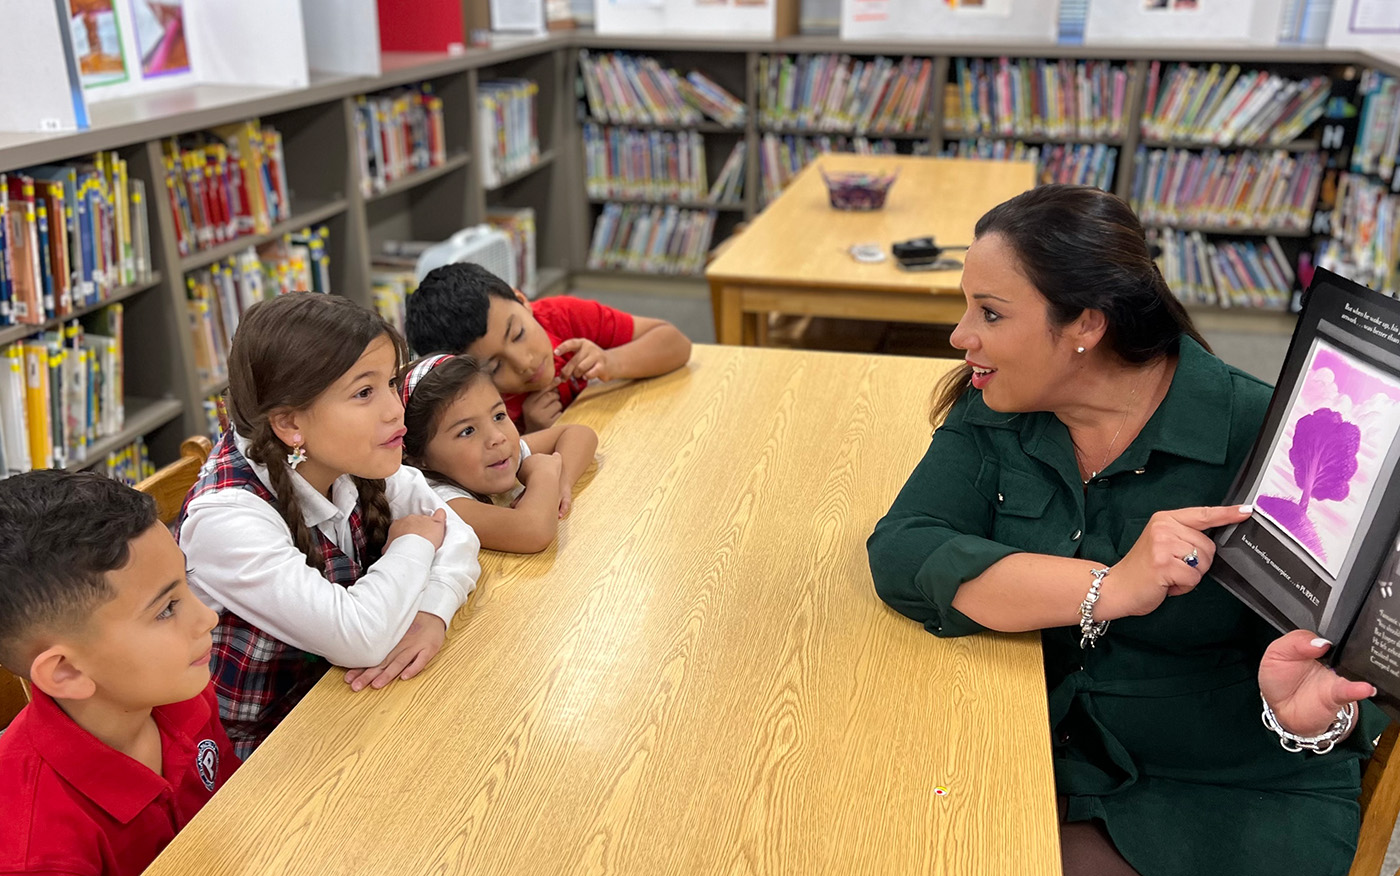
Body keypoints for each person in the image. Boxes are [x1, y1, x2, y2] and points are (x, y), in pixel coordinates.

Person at [866, 184, 1383, 876]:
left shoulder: (1271, 441)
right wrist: (1107, 587)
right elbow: (903, 549)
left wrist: (1310, 717)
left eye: (989, 312)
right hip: (1037, 743)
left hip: (1221, 794)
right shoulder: (998, 401)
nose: (960, 336)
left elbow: (1355, 678)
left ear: (1086, 323)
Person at [177, 292, 481, 758]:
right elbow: (359, 637)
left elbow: (457, 532)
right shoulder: (226, 519)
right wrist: (414, 544)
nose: (395, 410)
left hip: (343, 713)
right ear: (289, 423)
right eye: (364, 393)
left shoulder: (352, 451)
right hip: (258, 762)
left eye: (391, 382)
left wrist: (432, 612)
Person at [0, 471, 239, 876]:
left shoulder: (177, 688)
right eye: (165, 609)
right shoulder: (36, 851)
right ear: (67, 671)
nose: (207, 617)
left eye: (188, 583)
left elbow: (233, 815)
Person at [405, 263, 691, 431]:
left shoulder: (560, 317)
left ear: (522, 301)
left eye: (517, 334)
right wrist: (537, 434)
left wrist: (612, 361)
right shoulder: (471, 402)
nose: (524, 363)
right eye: (495, 367)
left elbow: (675, 343)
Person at [398, 353, 597, 553]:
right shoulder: (440, 503)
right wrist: (543, 474)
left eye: (499, 415)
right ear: (419, 460)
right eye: (467, 431)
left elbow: (579, 434)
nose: (497, 437)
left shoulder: (497, 452)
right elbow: (532, 532)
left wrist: (562, 482)